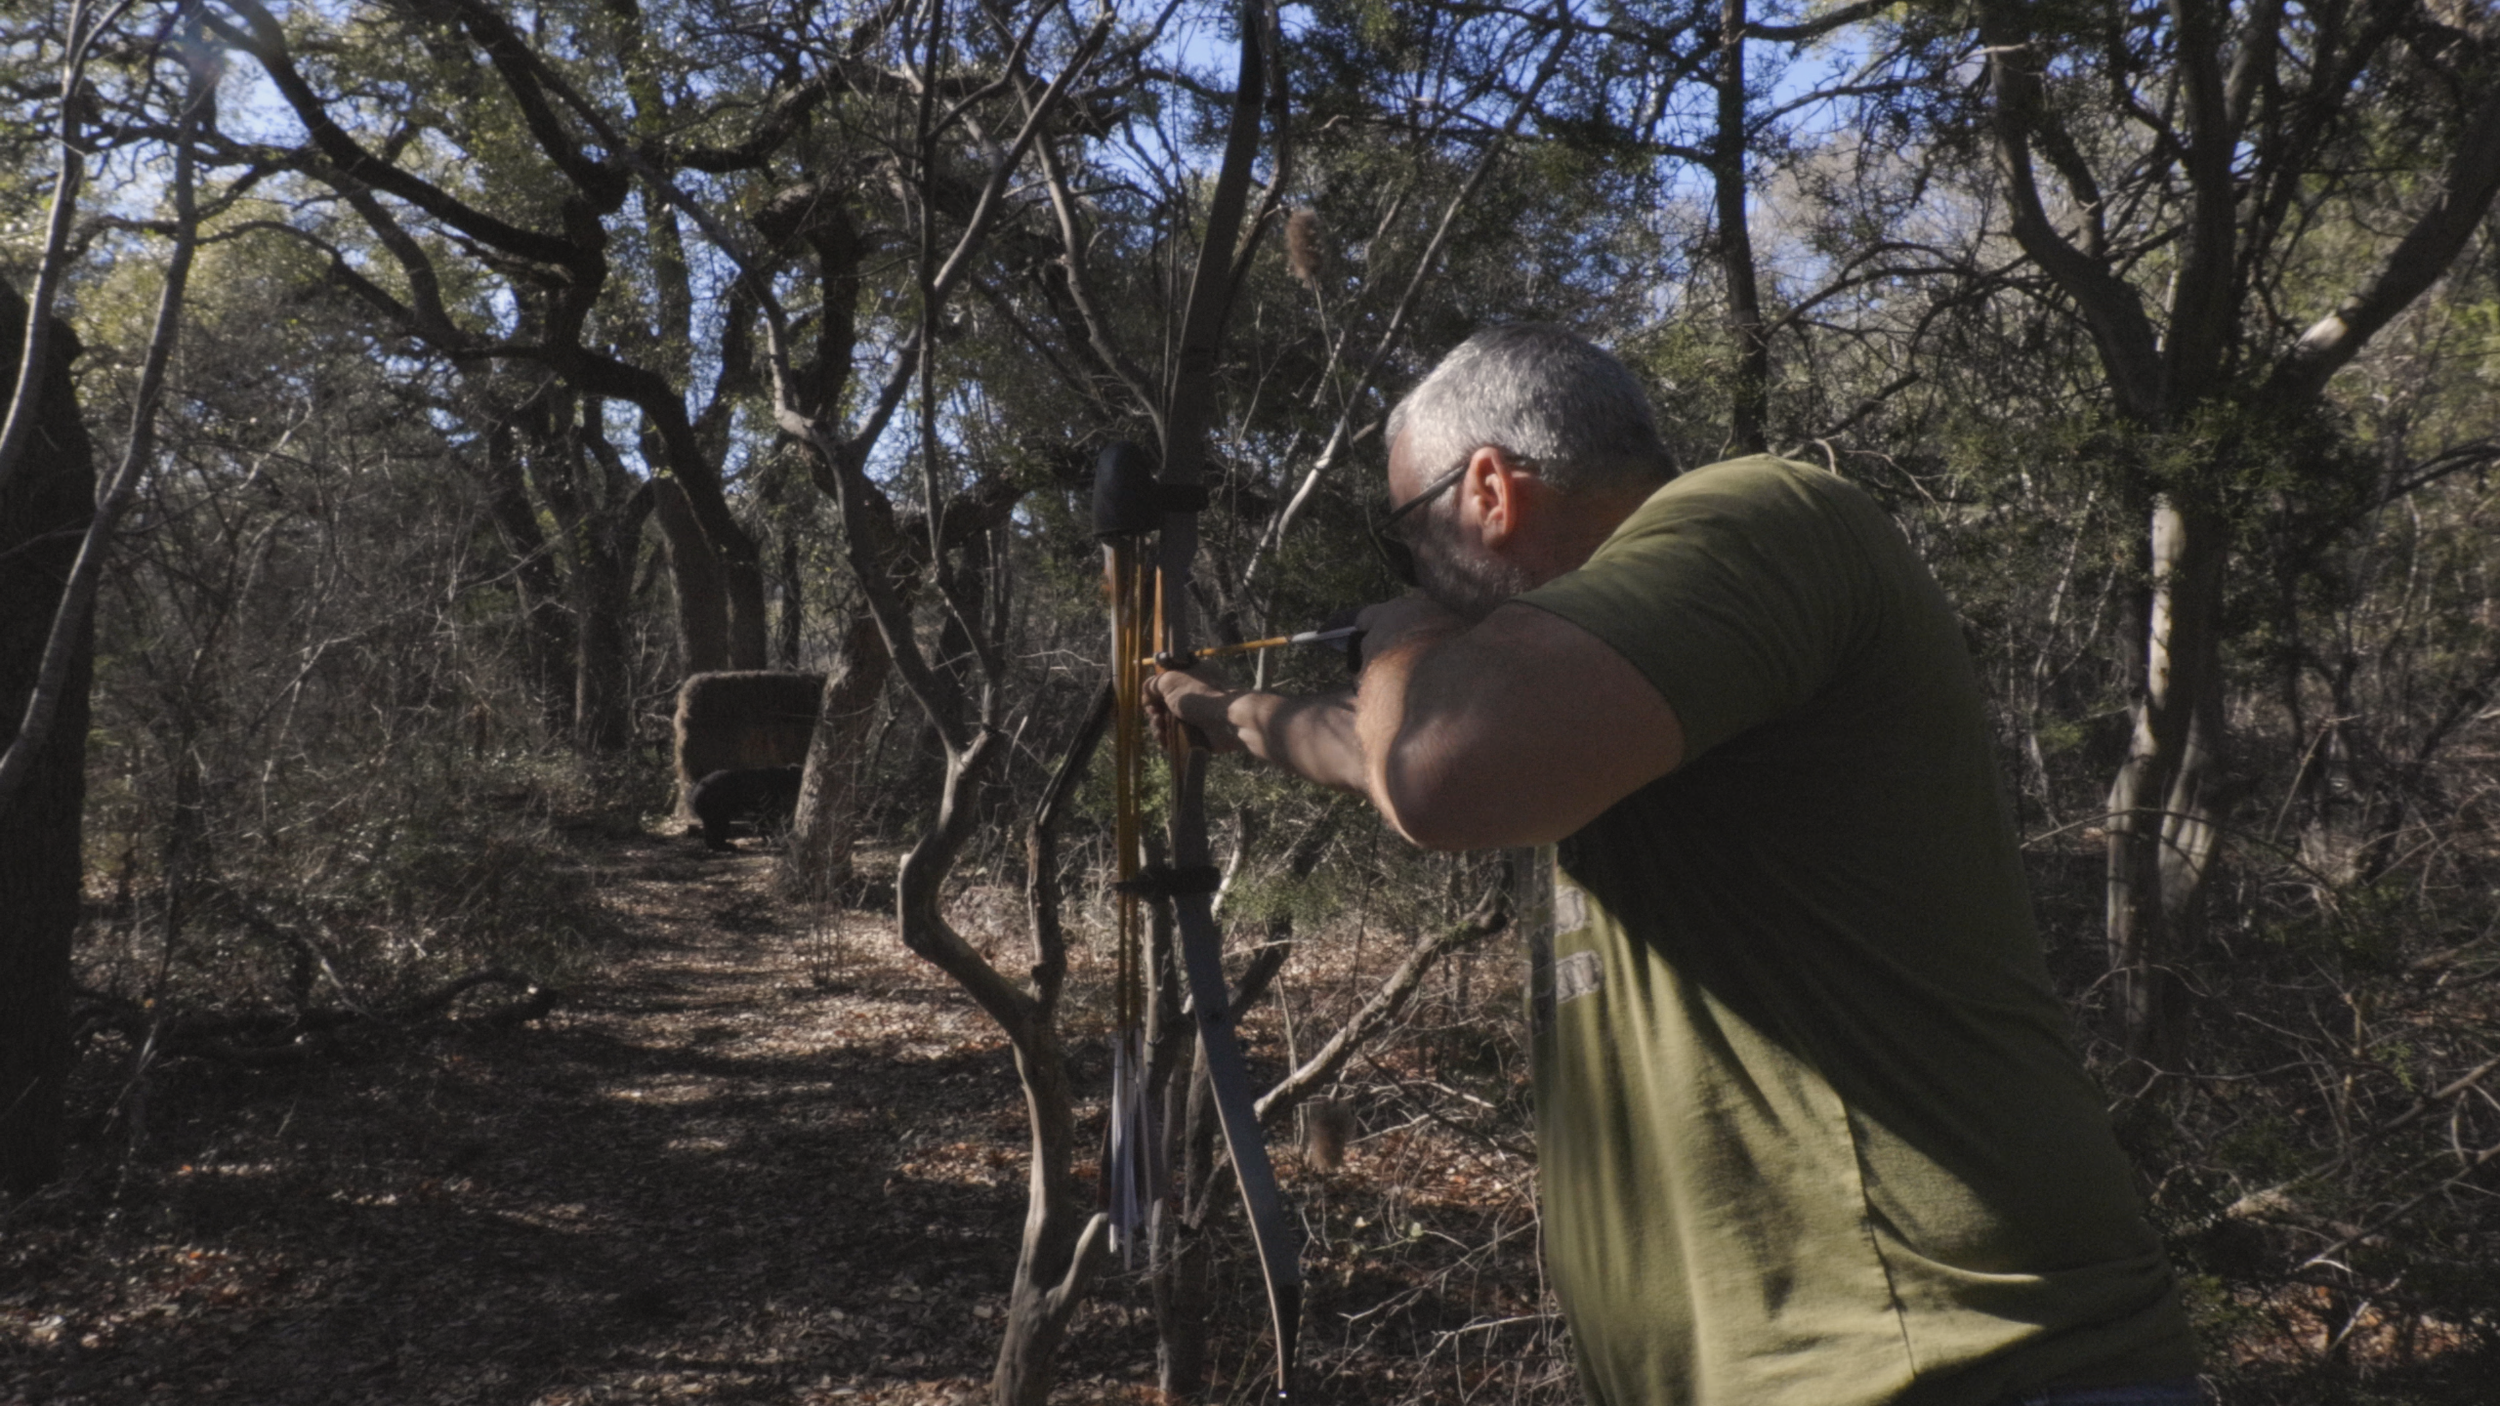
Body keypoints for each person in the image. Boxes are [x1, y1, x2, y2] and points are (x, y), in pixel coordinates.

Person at [1147, 324, 2201, 1406]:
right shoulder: (1602, 699)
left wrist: (1404, 630)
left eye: (1409, 539)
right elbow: (1376, 751)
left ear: (1489, 492)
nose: (1412, 572)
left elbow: (1430, 769)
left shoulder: (1765, 515)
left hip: (1955, 1361)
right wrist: (1216, 712)